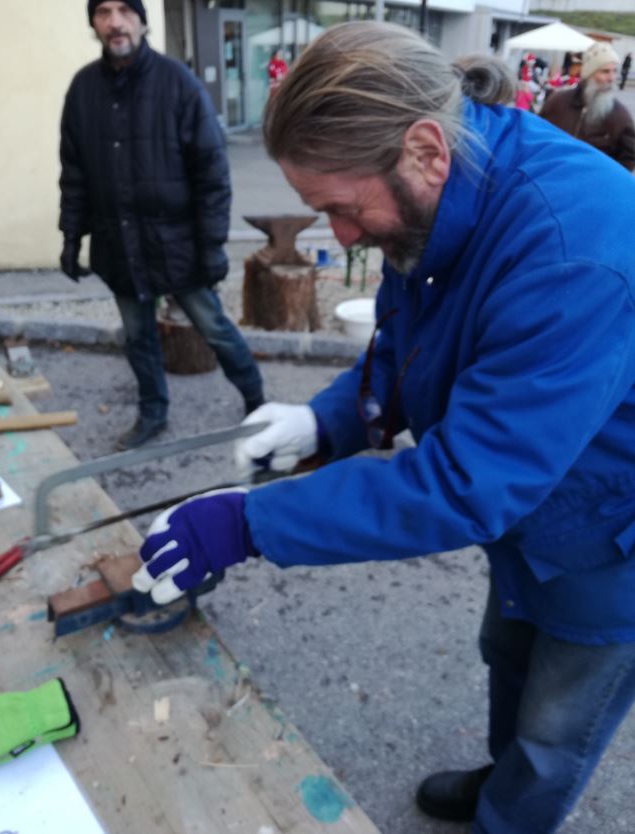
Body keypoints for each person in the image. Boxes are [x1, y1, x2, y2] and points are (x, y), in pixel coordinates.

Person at [132, 21, 635, 834]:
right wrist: (325, 421)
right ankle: (499, 780)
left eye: (340, 208)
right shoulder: (442, 196)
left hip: (610, 533)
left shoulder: (568, 249)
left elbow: (467, 484)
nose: (339, 235)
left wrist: (249, 523)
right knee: (508, 655)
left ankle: (510, 818)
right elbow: (408, 341)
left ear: (424, 151)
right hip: (533, 503)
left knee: (556, 724)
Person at [59, 0, 264, 450]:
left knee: (214, 327)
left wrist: (212, 246)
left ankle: (257, 400)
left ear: (142, 20)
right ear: (94, 22)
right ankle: (153, 411)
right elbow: (74, 173)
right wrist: (72, 236)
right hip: (117, 242)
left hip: (177, 244)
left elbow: (212, 174)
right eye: (103, 12)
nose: (115, 22)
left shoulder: (178, 83)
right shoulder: (83, 89)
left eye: (125, 10)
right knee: (137, 336)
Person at [539, 41, 635, 170]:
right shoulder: (557, 102)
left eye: (615, 71)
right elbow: (538, 135)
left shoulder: (620, 116)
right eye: (605, 71)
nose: (612, 78)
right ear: (589, 74)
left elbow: (629, 158)